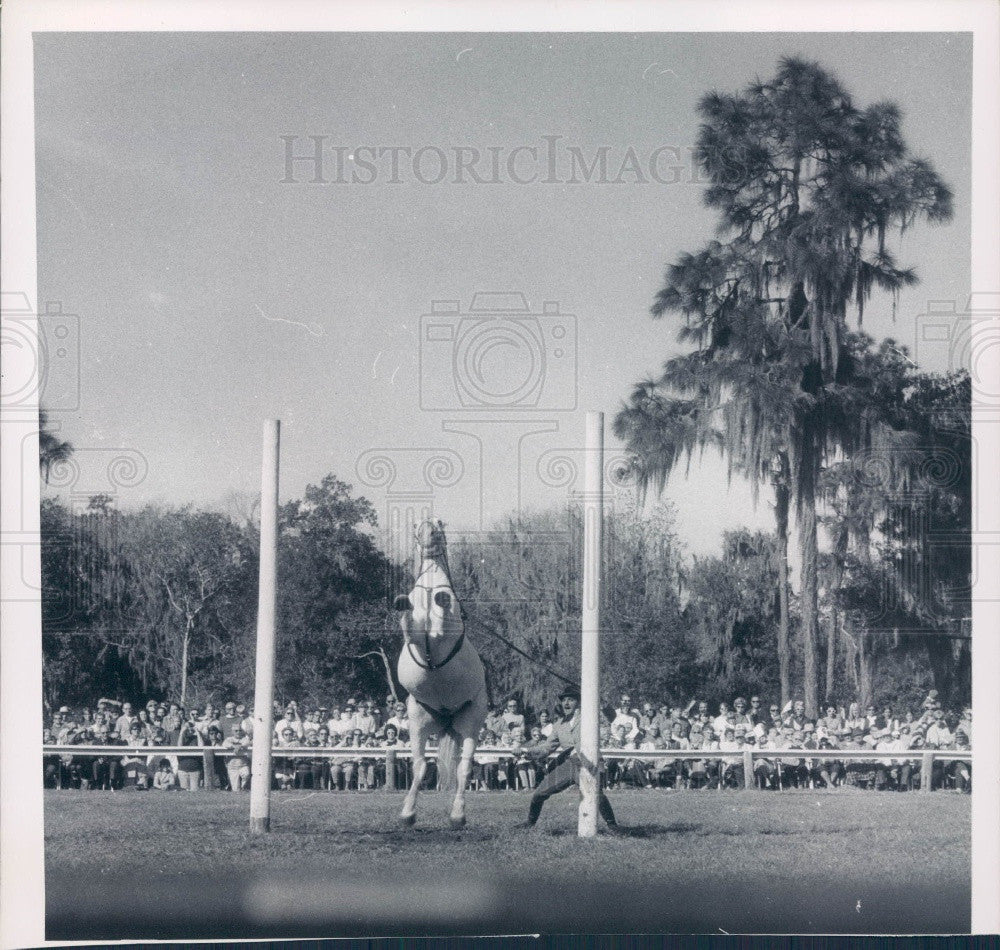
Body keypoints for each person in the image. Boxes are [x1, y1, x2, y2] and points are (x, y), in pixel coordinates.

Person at [515, 686, 623, 834]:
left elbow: (611, 716)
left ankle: (613, 826)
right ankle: (529, 823)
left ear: (578, 702)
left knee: (596, 793)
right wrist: (525, 750)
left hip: (588, 763)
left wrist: (601, 700)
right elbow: (546, 748)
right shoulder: (559, 724)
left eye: (570, 700)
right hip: (569, 764)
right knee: (539, 794)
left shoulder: (589, 717)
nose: (566, 703)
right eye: (564, 700)